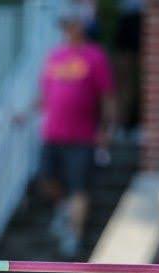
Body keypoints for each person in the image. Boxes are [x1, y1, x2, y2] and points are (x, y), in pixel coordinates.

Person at [36, 5, 116, 257]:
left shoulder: (95, 56)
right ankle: (64, 210)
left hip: (82, 137)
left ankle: (74, 236)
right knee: (46, 179)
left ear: (81, 26)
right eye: (64, 25)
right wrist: (24, 113)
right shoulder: (55, 56)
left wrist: (107, 128)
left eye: (71, 24)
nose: (67, 30)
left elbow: (108, 97)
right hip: (53, 134)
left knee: (79, 188)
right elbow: (45, 95)